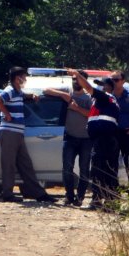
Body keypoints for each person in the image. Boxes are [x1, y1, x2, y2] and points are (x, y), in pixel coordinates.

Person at [0, 67, 55, 203]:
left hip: (18, 133)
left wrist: (31, 95)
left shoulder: (17, 92)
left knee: (25, 163)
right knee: (8, 164)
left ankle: (37, 193)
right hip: (9, 131)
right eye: (23, 77)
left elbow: (23, 95)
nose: (25, 79)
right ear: (17, 78)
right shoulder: (9, 90)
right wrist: (7, 114)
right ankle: (7, 194)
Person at [69, 69, 120, 210]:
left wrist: (78, 76)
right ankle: (109, 202)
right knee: (106, 171)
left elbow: (89, 88)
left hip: (104, 139)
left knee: (99, 170)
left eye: (102, 85)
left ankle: (98, 201)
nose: (100, 87)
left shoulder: (105, 97)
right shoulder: (103, 101)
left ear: (109, 88)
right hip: (105, 139)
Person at [44, 72, 93, 207]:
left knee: (84, 169)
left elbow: (91, 114)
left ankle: (80, 197)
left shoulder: (90, 96)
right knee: (67, 168)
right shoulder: (67, 91)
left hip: (86, 139)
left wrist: (77, 108)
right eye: (73, 79)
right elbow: (45, 90)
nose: (74, 82)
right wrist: (62, 95)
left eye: (77, 79)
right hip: (69, 137)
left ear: (83, 81)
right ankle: (69, 196)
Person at [110, 72, 129, 181]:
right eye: (112, 79)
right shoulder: (107, 96)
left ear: (123, 81)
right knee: (111, 163)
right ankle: (112, 192)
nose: (113, 82)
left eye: (116, 79)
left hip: (127, 134)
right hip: (111, 134)